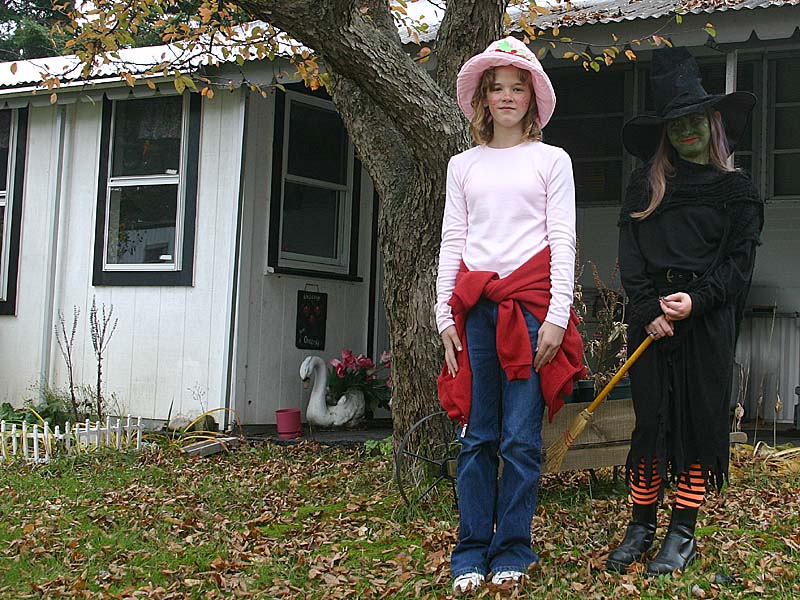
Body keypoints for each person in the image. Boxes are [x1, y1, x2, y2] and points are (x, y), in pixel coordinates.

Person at [435, 36, 585, 595]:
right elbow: (454, 241)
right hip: (474, 312)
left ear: (532, 97)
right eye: (495, 87)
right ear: (481, 98)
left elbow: (563, 241)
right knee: (477, 438)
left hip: (531, 312)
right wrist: (443, 315)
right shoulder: (462, 166)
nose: (505, 96)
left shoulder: (552, 161)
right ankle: (470, 552)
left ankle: (513, 550)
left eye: (516, 87)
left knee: (521, 439)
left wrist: (557, 317)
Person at [608, 47, 763, 575]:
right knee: (650, 424)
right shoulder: (643, 187)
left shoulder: (737, 192)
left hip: (706, 322)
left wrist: (697, 301)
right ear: (665, 132)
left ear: (713, 122)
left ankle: (682, 530)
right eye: (676, 124)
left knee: (698, 423)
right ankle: (641, 523)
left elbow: (738, 266)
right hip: (652, 324)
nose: (686, 131)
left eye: (695, 120)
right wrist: (648, 306)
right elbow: (631, 256)